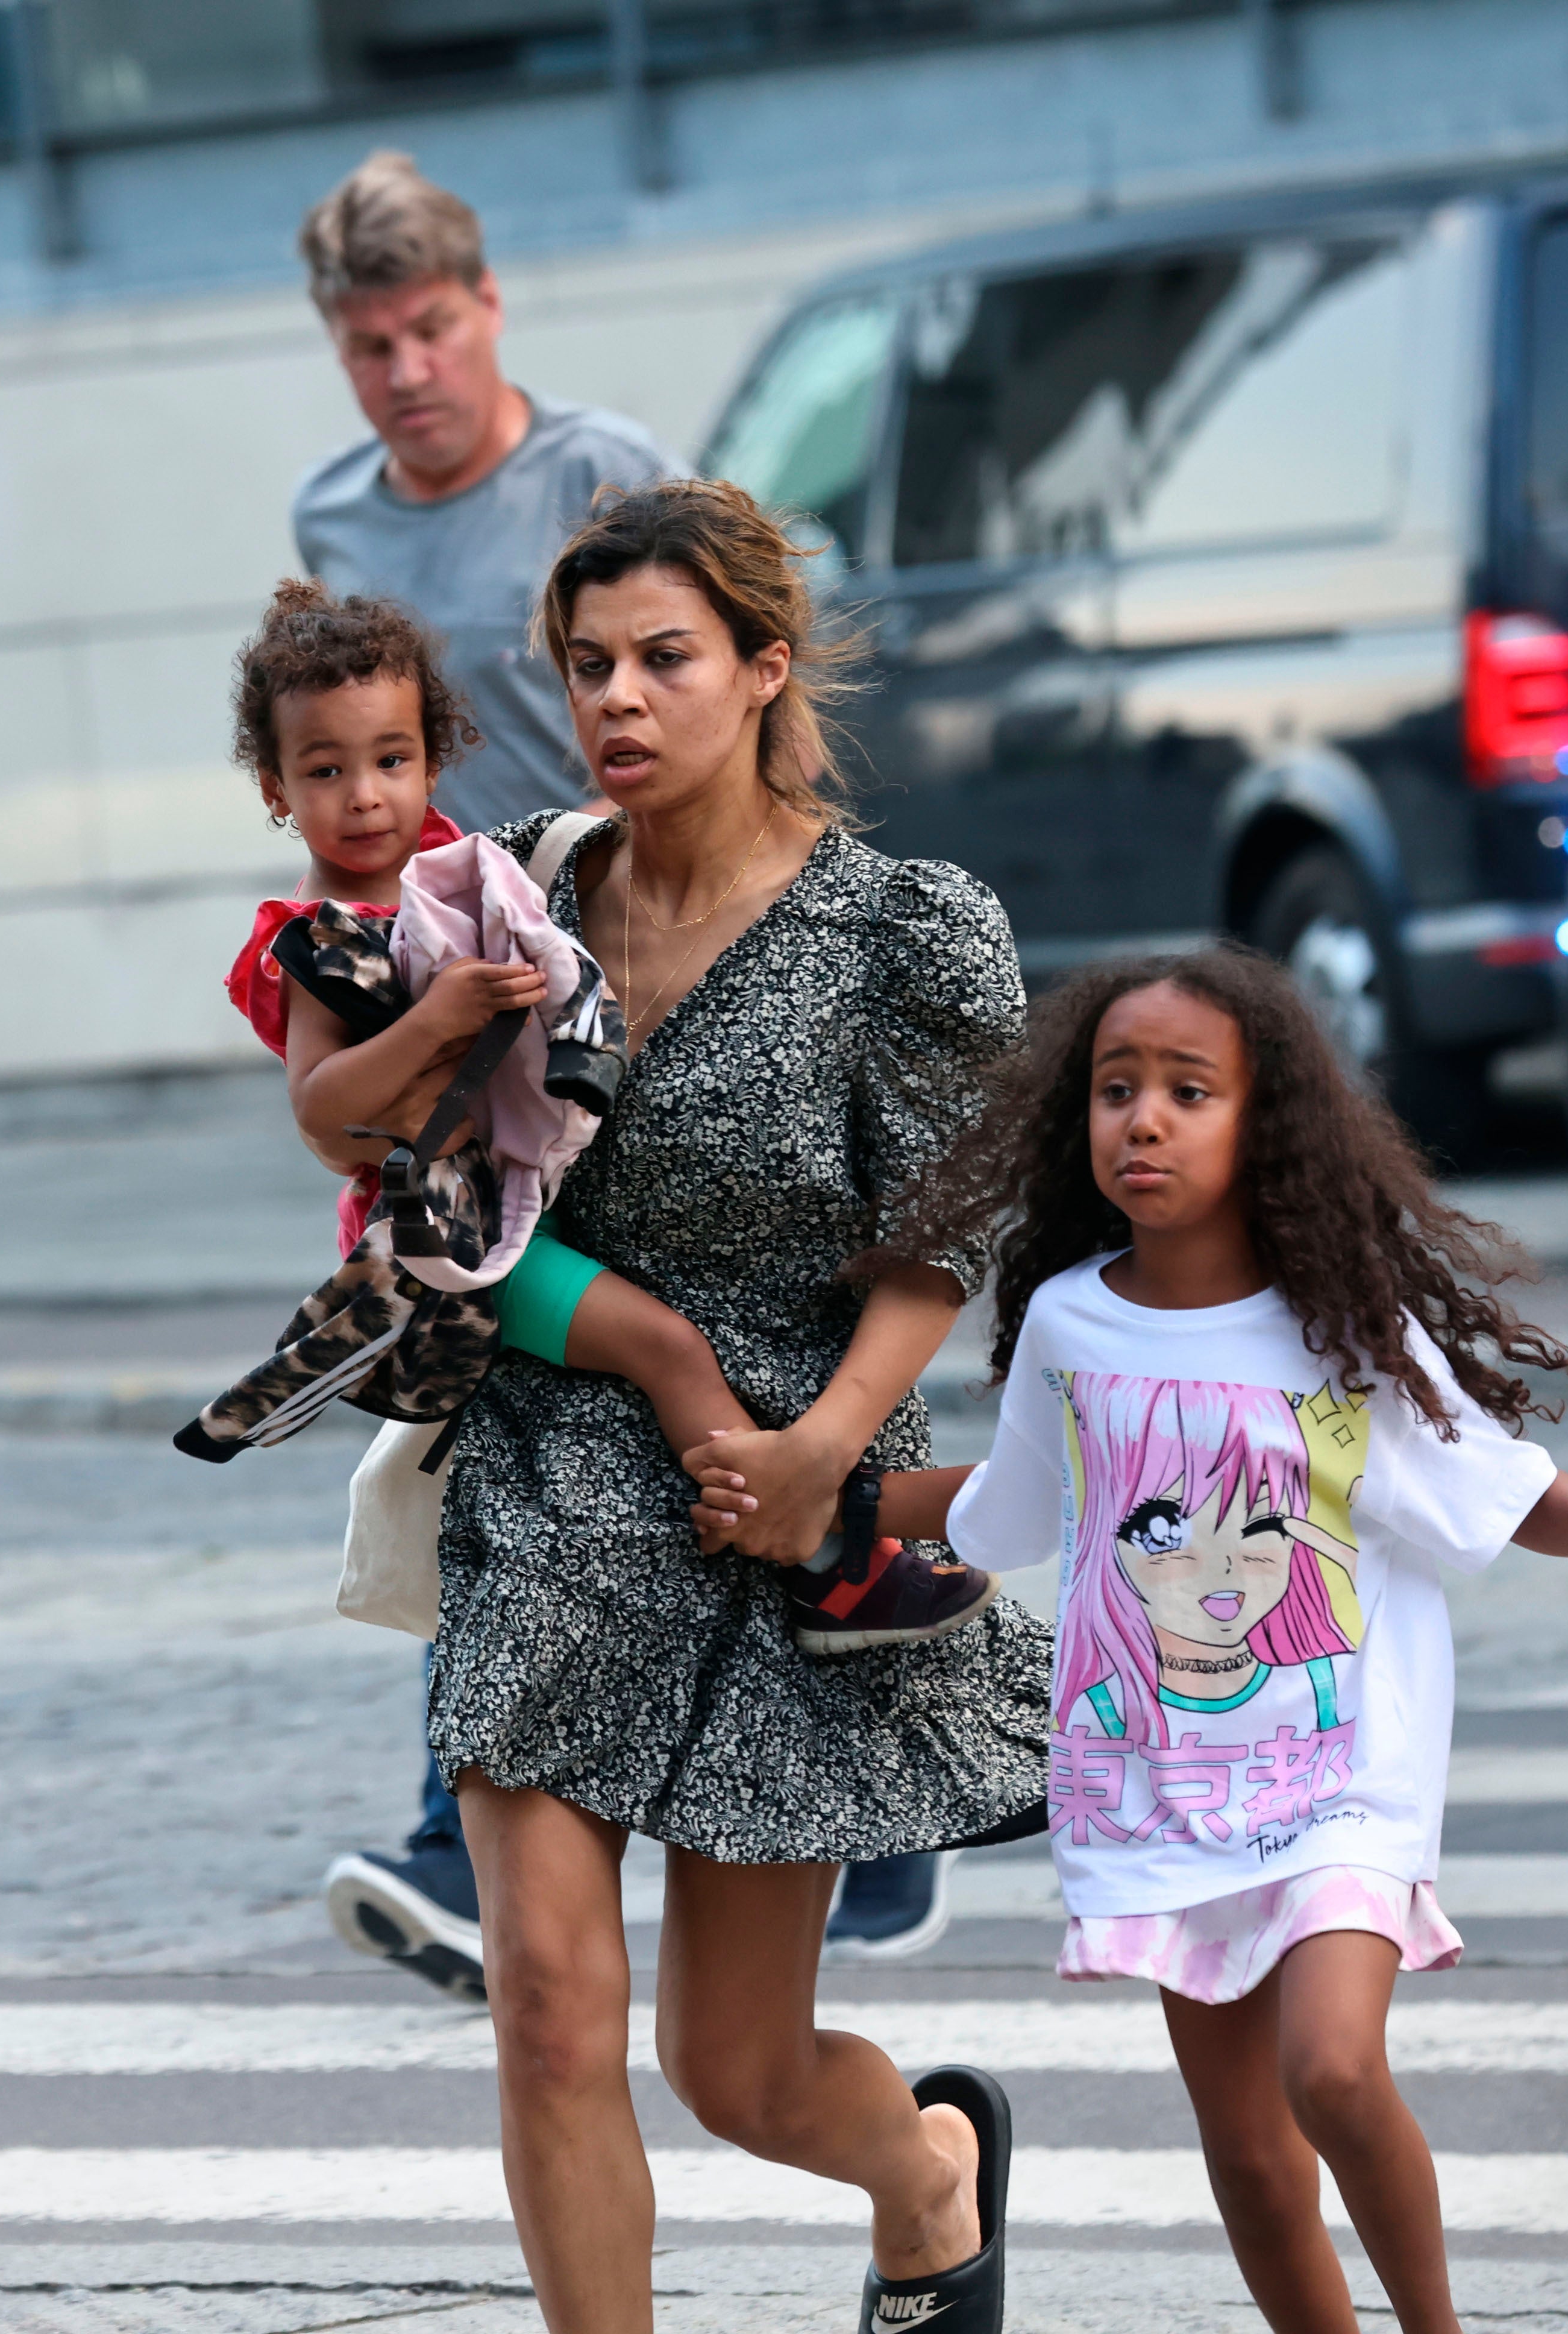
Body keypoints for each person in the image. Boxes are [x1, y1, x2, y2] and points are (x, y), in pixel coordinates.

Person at [697, 945, 1568, 2334]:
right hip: (1162, 1783)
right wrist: (810, 1492)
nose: (1144, 1118)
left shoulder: (1341, 1329)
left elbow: (1490, 1489)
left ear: (1266, 1124)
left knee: (1330, 2072)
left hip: (1341, 1776)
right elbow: (1008, 1509)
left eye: (1189, 1091)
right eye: (1116, 1088)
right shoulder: (1074, 1325)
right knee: (1254, 2150)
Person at [286, 149, 955, 1991]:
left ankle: (855, 1775)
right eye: (367, 344)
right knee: (484, 1365)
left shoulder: (601, 468)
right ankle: (467, 1831)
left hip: (621, 966)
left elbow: (721, 681)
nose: (405, 371)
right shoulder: (332, 516)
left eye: (430, 329)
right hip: (460, 1012)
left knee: (716, 1361)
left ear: (488, 309)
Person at [427, 478, 1048, 2334]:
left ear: (765, 668)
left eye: (663, 660)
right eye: (587, 664)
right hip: (545, 1486)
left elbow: (942, 1242)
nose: (615, 698)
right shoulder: (514, 901)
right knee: (546, 2013)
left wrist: (822, 1454)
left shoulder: (901, 935)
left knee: (738, 2073)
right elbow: (430, 1197)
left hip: (773, 1514)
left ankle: (925, 2174)